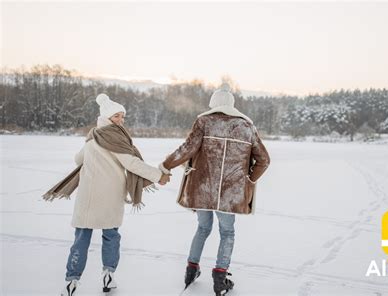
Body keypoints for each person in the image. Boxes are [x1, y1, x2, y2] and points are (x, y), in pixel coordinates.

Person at [43, 94, 169, 296]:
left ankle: (72, 280)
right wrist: (157, 176)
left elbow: (78, 159)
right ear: (108, 117)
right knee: (111, 236)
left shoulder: (93, 136)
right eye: (117, 116)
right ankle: (108, 275)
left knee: (82, 238)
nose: (121, 120)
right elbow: (132, 163)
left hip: (87, 196)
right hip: (109, 196)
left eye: (122, 116)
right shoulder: (114, 137)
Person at [158, 83, 270, 295]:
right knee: (227, 232)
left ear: (213, 103)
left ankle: (191, 269)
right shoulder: (246, 127)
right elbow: (264, 160)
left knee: (203, 228)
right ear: (232, 104)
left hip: (203, 189)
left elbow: (186, 149)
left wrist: (165, 165)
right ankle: (220, 276)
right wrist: (248, 179)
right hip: (231, 194)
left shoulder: (204, 122)